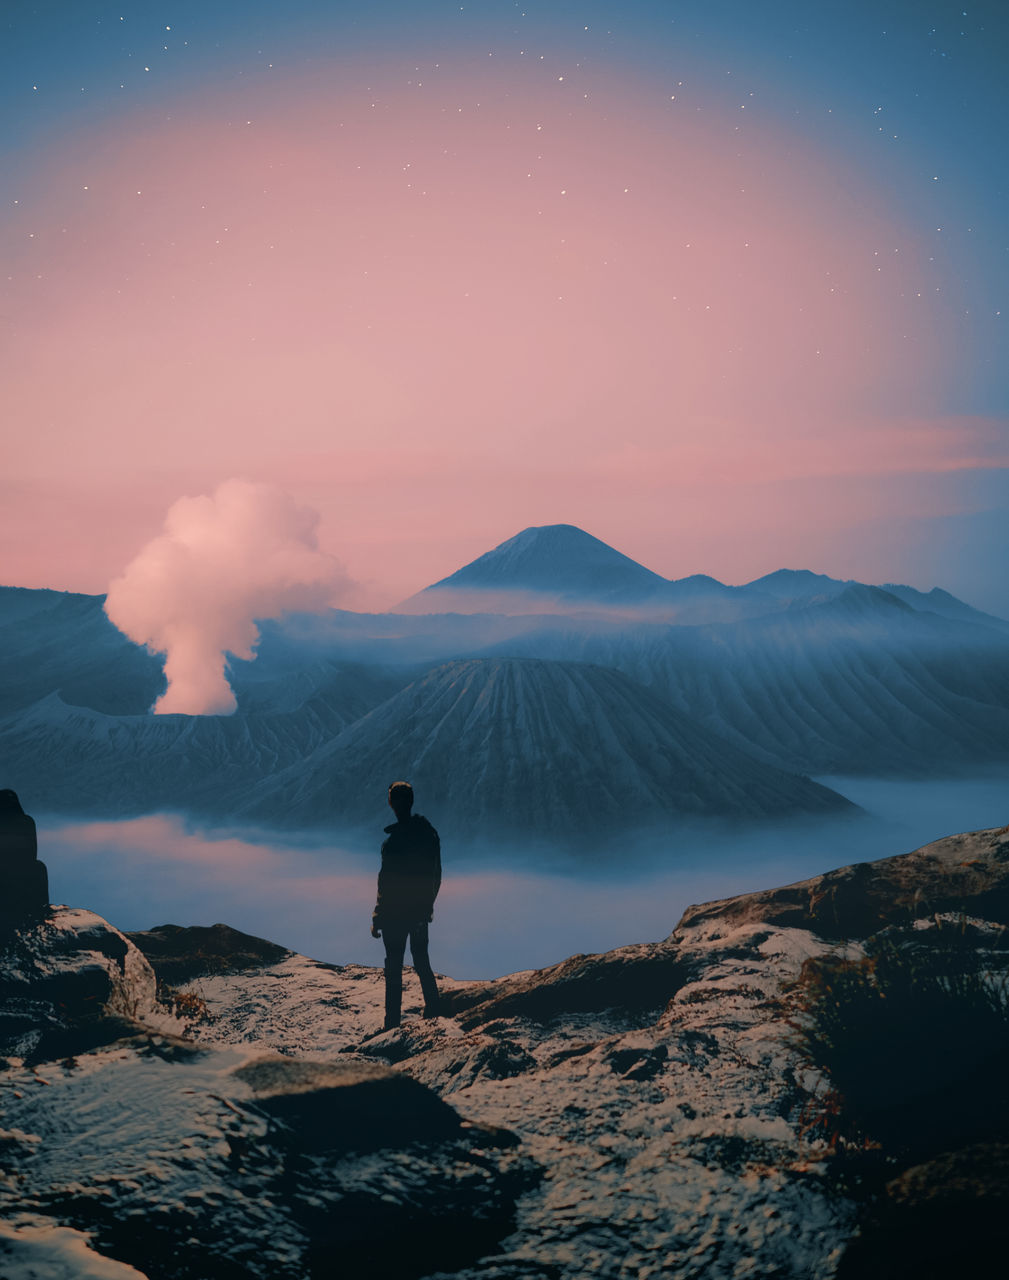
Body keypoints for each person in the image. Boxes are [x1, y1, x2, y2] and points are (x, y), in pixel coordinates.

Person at [371, 781, 441, 1030]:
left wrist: (378, 916)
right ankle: (434, 1011)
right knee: (421, 960)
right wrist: (427, 906)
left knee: (394, 967)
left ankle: (392, 1025)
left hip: (394, 914)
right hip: (419, 911)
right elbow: (436, 875)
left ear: (392, 803)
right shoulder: (428, 833)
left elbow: (385, 883)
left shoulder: (393, 843)